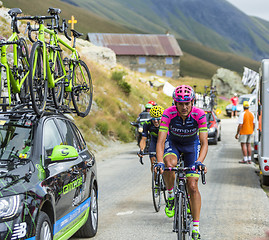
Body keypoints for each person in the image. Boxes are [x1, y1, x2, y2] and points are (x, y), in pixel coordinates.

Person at [155, 85, 208, 240]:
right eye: (180, 103)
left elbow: (204, 142)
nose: (184, 107)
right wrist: (159, 162)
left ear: (192, 102)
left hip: (192, 147)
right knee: (169, 165)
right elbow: (161, 141)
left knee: (192, 185)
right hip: (174, 144)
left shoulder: (200, 114)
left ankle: (196, 228)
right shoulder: (168, 113)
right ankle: (171, 195)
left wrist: (199, 161)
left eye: (187, 103)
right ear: (175, 103)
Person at [138, 105, 164, 172]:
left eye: (158, 118)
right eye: (153, 118)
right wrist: (141, 150)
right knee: (153, 163)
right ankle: (156, 180)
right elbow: (143, 139)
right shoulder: (147, 124)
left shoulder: (166, 123)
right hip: (154, 142)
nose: (155, 121)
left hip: (165, 142)